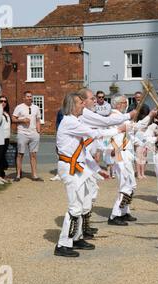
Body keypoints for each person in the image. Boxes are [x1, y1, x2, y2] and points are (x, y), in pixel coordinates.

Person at [54, 92, 127, 258]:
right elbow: (93, 134)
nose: (83, 105)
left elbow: (83, 151)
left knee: (80, 204)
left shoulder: (74, 121)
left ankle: (77, 237)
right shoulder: (69, 122)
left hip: (77, 166)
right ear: (72, 106)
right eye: (80, 103)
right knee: (74, 206)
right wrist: (118, 129)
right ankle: (63, 243)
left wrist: (96, 169)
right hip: (69, 167)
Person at [107, 95, 145, 226]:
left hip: (126, 154)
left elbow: (130, 134)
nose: (126, 104)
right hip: (118, 153)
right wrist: (149, 116)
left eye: (126, 102)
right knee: (125, 185)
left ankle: (124, 211)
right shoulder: (114, 116)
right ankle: (115, 215)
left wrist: (144, 143)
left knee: (131, 185)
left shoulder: (122, 117)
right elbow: (132, 126)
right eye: (124, 102)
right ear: (117, 104)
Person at [12, 91, 43, 182]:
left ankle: (34, 175)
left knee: (33, 154)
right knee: (20, 154)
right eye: (28, 96)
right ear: (24, 98)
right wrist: (22, 120)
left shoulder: (36, 107)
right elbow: (13, 118)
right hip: (22, 133)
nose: (30, 98)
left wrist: (38, 130)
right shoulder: (19, 107)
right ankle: (18, 175)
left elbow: (38, 120)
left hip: (34, 133)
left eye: (31, 96)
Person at [127, 91, 151, 179]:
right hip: (135, 130)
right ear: (135, 97)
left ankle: (143, 173)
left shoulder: (146, 106)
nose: (138, 98)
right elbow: (129, 118)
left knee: (144, 153)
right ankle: (138, 173)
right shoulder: (131, 107)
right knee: (138, 153)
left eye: (140, 97)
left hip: (144, 131)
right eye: (137, 97)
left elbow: (149, 118)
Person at [0, 96, 12, 181]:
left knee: (3, 155)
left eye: (5, 101)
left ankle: (2, 174)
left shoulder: (7, 113)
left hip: (6, 137)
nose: (3, 103)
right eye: (1, 101)